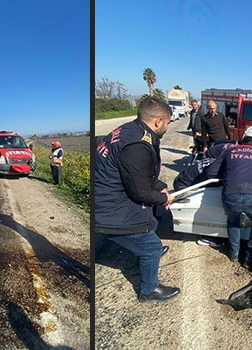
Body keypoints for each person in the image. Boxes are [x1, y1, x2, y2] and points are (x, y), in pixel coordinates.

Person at [95, 96, 180, 303]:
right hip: (109, 209)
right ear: (158, 121)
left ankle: (149, 249)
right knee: (150, 246)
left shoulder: (131, 130)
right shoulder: (137, 146)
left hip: (110, 195)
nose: (168, 127)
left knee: (152, 221)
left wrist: (160, 187)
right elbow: (140, 193)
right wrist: (162, 198)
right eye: (168, 123)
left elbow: (139, 174)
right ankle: (149, 291)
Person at [205, 136, 252, 267]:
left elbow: (210, 172)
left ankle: (234, 254)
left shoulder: (229, 151)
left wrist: (228, 173)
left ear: (240, 143)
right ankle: (249, 259)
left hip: (231, 194)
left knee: (233, 222)